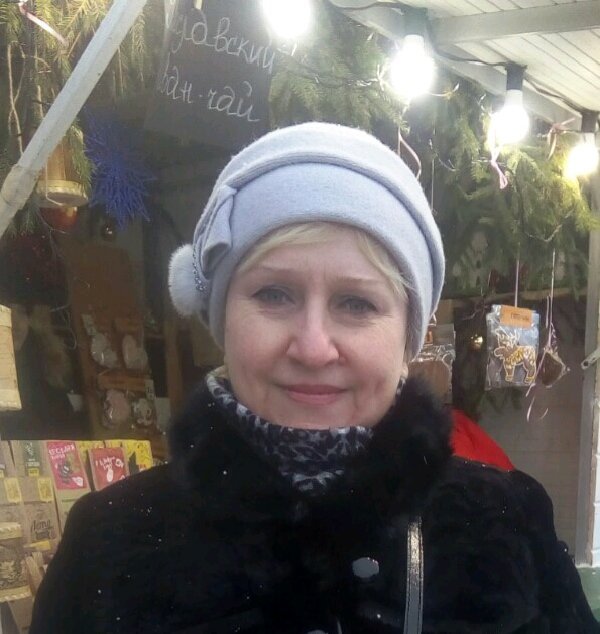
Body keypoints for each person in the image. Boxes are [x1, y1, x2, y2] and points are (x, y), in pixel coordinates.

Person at [30, 123, 598, 633]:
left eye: (356, 303)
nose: (312, 347)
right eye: (274, 295)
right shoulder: (110, 543)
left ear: (408, 336)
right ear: (221, 320)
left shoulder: (506, 527)